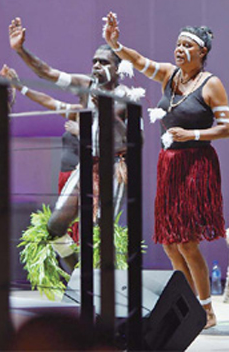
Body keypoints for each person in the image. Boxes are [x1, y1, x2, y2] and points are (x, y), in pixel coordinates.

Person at [102, 12, 229, 329]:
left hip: (195, 165)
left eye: (188, 45)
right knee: (170, 242)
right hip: (169, 165)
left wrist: (194, 135)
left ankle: (208, 311)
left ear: (202, 52)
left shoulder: (211, 84)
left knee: (187, 241)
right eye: (178, 44)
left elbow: (227, 128)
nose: (180, 49)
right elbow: (138, 59)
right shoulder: (169, 76)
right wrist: (114, 42)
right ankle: (189, 306)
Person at [8, 17, 144, 270]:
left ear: (117, 69)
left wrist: (110, 113)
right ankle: (79, 279)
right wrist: (20, 50)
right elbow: (47, 73)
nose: (96, 65)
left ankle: (107, 293)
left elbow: (139, 141)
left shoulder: (127, 98)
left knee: (101, 233)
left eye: (104, 62)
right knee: (55, 227)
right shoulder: (85, 86)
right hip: (86, 166)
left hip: (114, 168)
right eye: (94, 60)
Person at [0, 64, 81, 241]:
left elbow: (111, 144)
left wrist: (81, 131)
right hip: (65, 178)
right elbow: (48, 101)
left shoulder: (109, 115)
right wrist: (20, 87)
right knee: (60, 231)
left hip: (82, 181)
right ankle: (74, 267)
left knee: (76, 227)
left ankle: (86, 266)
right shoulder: (78, 111)